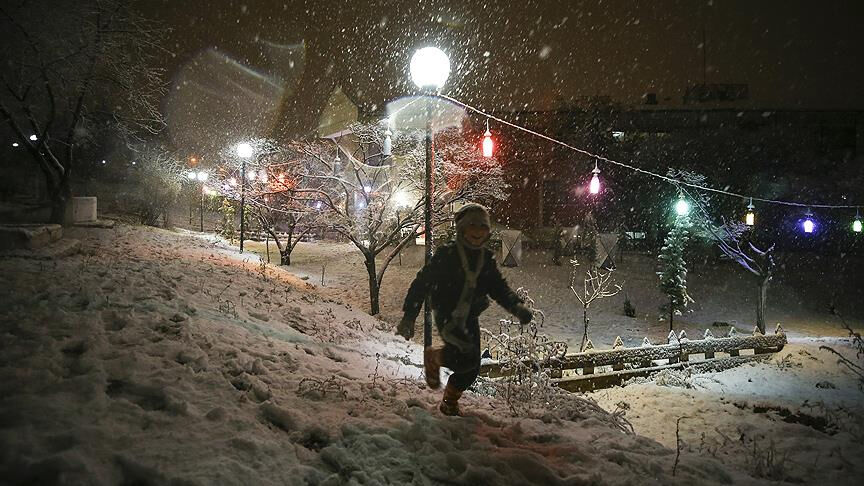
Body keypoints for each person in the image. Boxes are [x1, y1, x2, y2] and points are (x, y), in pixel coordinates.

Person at [396, 204, 533, 416]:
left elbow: (498, 288)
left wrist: (515, 306)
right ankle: (435, 358)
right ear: (461, 229)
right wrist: (409, 316)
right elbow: (421, 283)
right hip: (447, 314)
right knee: (466, 358)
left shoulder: (485, 259)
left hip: (469, 315)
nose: (477, 231)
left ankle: (449, 401)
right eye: (472, 225)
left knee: (473, 367)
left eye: (482, 226)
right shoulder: (447, 255)